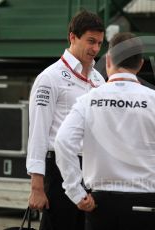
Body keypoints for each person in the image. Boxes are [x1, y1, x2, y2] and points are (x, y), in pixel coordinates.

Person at [54, 32, 155, 230]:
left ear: (109, 60)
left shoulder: (88, 100)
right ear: (141, 64)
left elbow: (63, 142)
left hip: (102, 206)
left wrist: (76, 192)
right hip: (146, 205)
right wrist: (150, 154)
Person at [26, 10, 105, 230]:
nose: (96, 49)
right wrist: (37, 186)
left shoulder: (99, 79)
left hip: (92, 169)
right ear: (72, 37)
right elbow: (38, 133)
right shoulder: (49, 78)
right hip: (59, 168)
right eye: (90, 41)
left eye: (99, 43)